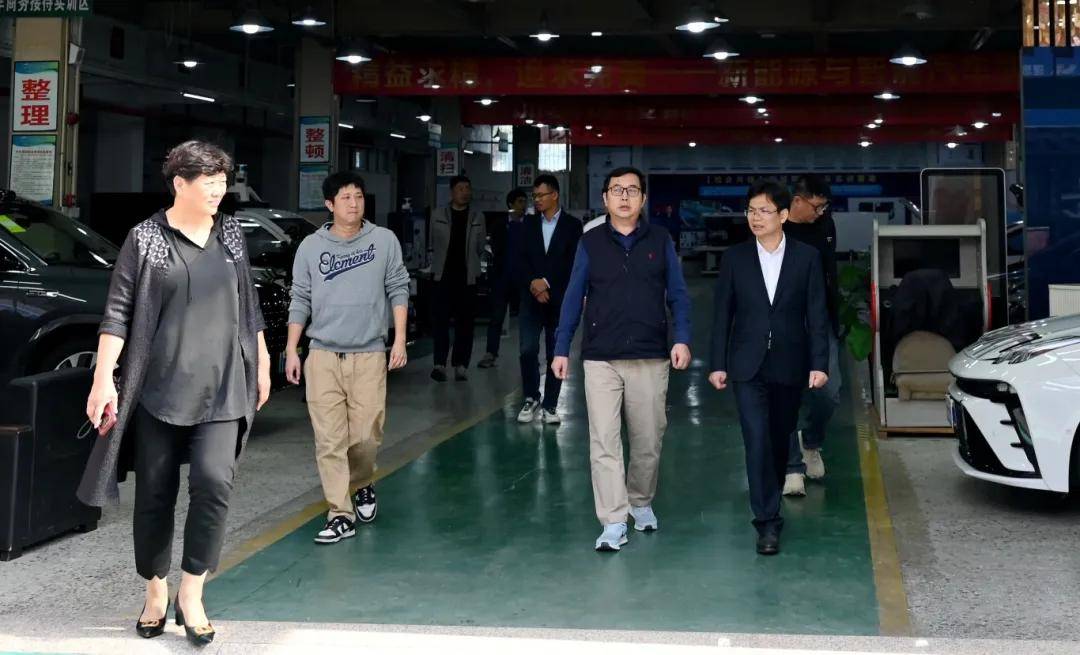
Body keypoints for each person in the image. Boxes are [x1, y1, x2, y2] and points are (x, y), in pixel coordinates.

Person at [79, 141, 272, 646]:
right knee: (155, 494)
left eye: (222, 181)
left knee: (214, 483)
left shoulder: (231, 233)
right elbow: (118, 312)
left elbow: (248, 303)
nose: (218, 190)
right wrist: (104, 377)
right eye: (208, 181)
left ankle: (192, 591)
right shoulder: (145, 238)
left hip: (224, 385)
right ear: (179, 184)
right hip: (159, 389)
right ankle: (155, 590)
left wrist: (263, 359)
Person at [552, 166, 692, 552]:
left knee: (648, 439)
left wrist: (682, 338)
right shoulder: (590, 242)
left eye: (632, 190)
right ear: (605, 199)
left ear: (643, 198)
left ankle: (640, 501)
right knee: (604, 440)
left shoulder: (660, 240)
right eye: (617, 190)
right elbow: (572, 296)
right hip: (601, 356)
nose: (625, 197)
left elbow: (678, 294)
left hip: (650, 354)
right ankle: (613, 520)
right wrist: (562, 347)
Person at [284, 171, 410, 544]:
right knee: (329, 441)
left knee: (366, 437)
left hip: (369, 354)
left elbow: (398, 288)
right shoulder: (311, 247)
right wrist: (291, 349)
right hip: (322, 355)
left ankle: (363, 481)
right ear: (329, 204)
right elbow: (300, 298)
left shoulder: (383, 241)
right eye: (345, 198)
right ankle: (340, 513)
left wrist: (399, 340)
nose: (354, 204)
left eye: (358, 196)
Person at [708, 179, 830, 556]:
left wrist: (819, 363)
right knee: (756, 439)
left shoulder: (806, 257)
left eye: (764, 211)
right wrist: (717, 363)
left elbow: (816, 314)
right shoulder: (735, 258)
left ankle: (771, 496)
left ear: (783, 215)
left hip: (789, 364)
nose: (755, 217)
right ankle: (766, 521)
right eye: (750, 210)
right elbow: (722, 315)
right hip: (747, 365)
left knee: (778, 440)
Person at [781, 175, 842, 497]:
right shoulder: (776, 226)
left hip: (822, 321)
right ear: (797, 200)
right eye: (816, 207)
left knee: (829, 392)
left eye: (824, 207)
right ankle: (792, 467)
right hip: (785, 324)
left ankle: (812, 442)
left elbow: (830, 273)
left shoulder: (825, 226)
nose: (820, 213)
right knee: (787, 395)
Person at [516, 174, 582, 425]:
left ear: (554, 195)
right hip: (531, 298)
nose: (536, 200)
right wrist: (533, 283)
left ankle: (550, 404)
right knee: (527, 350)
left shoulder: (572, 226)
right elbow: (519, 258)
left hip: (559, 300)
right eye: (534, 196)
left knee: (556, 353)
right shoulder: (528, 224)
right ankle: (531, 397)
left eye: (541, 195)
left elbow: (572, 262)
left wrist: (547, 282)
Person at [428, 175, 487, 382]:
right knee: (440, 322)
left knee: (465, 324)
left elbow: (480, 247)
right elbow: (432, 242)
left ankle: (461, 365)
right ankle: (439, 364)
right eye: (461, 188)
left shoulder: (478, 217)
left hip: (467, 278)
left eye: (468, 188)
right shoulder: (437, 215)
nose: (465, 192)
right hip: (442, 276)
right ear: (452, 192)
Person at [478, 188, 527, 369]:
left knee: (526, 318)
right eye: (520, 202)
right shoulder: (499, 226)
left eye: (525, 202)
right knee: (496, 317)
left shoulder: (530, 225)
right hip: (501, 279)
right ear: (510, 204)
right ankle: (491, 353)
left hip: (523, 280)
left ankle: (528, 354)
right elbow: (494, 249)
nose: (523, 205)